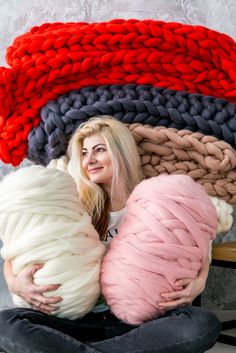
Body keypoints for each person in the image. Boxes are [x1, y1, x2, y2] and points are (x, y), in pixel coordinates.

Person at [0, 116, 220, 353]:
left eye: (99, 150)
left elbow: (200, 247)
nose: (89, 160)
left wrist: (198, 282)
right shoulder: (71, 203)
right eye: (84, 153)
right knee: (5, 324)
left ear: (121, 152)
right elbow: (19, 247)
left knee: (201, 323)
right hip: (75, 319)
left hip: (142, 321)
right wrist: (14, 282)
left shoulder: (155, 201)